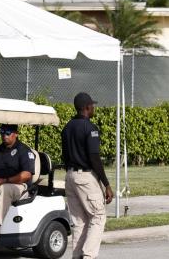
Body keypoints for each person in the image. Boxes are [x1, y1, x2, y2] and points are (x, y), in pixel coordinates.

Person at [61, 92, 114, 259]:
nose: (94, 108)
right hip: (85, 177)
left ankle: (77, 256)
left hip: (70, 176)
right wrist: (106, 184)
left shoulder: (67, 127)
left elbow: (65, 155)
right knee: (98, 216)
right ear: (86, 108)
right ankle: (88, 255)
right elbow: (94, 158)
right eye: (92, 105)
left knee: (79, 222)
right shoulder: (90, 128)